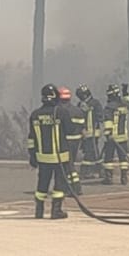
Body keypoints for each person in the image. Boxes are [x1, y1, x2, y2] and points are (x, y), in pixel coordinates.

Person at [26, 83, 84, 219]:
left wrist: (32, 157)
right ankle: (56, 210)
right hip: (60, 157)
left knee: (42, 184)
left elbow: (31, 138)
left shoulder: (35, 115)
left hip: (42, 158)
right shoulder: (61, 112)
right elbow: (70, 130)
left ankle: (39, 210)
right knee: (59, 184)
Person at [100, 83, 129, 185]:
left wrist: (108, 133)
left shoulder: (109, 107)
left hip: (112, 137)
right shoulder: (124, 105)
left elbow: (108, 121)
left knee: (108, 158)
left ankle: (108, 178)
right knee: (123, 159)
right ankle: (124, 178)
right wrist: (125, 92)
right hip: (123, 137)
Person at [74, 85, 102, 181]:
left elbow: (100, 116)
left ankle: (86, 171)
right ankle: (97, 170)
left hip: (93, 133)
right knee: (91, 152)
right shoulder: (80, 104)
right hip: (84, 133)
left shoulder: (95, 103)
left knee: (91, 152)